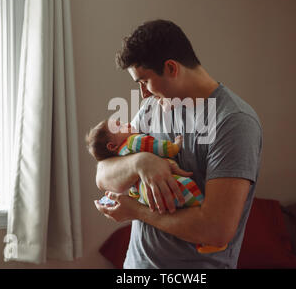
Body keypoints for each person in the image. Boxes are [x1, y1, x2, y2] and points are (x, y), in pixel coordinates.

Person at [94, 19, 263, 268]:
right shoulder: (152, 109)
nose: (143, 94)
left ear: (172, 68)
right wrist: (141, 162)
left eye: (144, 81)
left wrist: (137, 212)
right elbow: (103, 175)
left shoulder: (233, 122)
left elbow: (216, 230)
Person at [85, 119, 227, 253]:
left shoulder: (122, 153)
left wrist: (137, 209)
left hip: (147, 198)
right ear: (112, 146)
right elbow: (159, 147)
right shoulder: (134, 140)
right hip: (171, 189)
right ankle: (202, 238)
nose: (126, 123)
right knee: (190, 192)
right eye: (119, 125)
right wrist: (174, 147)